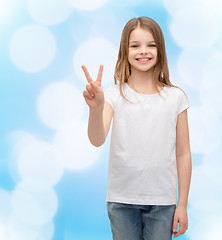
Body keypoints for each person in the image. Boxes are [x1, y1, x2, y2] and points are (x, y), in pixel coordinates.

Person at [82, 16, 192, 240]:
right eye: (135, 45)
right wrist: (96, 108)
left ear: (160, 49)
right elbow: (97, 139)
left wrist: (182, 205)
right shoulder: (113, 95)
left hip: (163, 203)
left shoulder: (176, 97)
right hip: (122, 201)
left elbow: (183, 153)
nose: (144, 51)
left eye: (151, 45)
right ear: (125, 50)